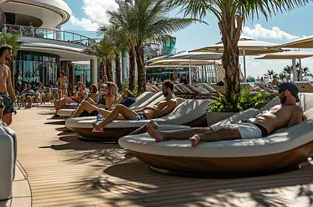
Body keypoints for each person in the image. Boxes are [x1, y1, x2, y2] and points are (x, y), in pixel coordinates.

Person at [147, 82, 303, 147]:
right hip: (247, 124)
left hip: (258, 130)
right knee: (205, 129)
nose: (278, 94)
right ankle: (164, 135)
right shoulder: (279, 106)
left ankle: (200, 138)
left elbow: (292, 131)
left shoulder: (296, 109)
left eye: (280, 91)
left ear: (288, 92)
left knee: (224, 132)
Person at [92, 80, 178, 132]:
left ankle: (100, 126)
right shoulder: (164, 100)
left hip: (142, 118)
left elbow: (161, 114)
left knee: (119, 107)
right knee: (111, 113)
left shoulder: (172, 102)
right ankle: (102, 122)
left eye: (164, 89)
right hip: (140, 114)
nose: (162, 91)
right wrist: (141, 109)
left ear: (169, 90)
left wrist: (149, 107)